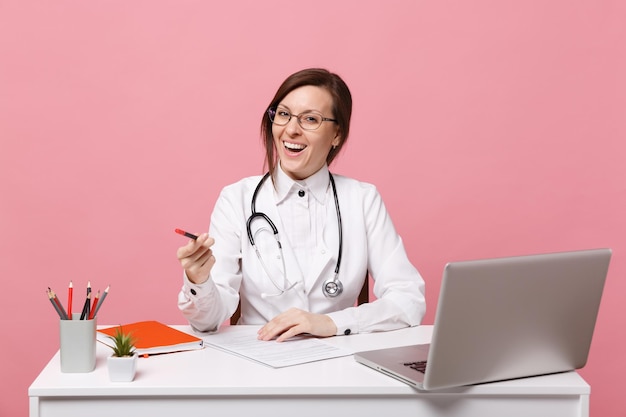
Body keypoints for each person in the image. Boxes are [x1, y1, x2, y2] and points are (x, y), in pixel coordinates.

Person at [177, 68, 426, 342]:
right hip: (258, 363)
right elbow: (208, 322)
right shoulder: (237, 198)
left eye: (310, 119)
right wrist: (199, 281)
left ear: (337, 135)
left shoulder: (363, 199)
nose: (291, 130)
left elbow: (408, 300)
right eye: (283, 114)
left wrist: (331, 322)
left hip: (337, 364)